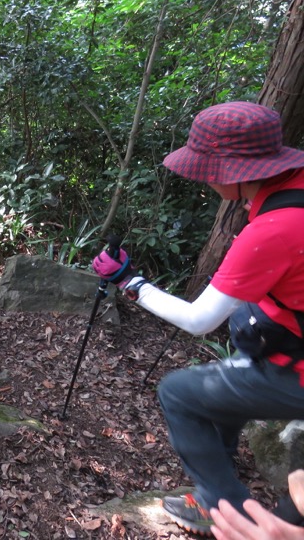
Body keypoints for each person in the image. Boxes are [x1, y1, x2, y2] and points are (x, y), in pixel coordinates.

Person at [91, 102, 304, 537]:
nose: (204, 178)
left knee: (179, 393)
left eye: (208, 168)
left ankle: (221, 504)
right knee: (219, 390)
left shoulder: (273, 229)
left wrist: (130, 282)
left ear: (232, 170)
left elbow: (199, 320)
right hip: (286, 345)